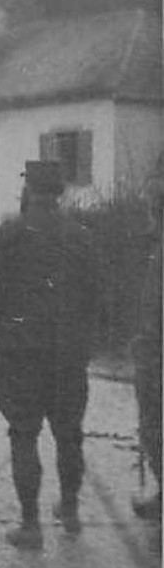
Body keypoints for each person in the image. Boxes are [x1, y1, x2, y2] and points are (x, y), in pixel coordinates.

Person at [0, 160, 97, 549]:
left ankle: (30, 525)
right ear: (60, 193)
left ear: (28, 190)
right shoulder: (81, 237)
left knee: (23, 435)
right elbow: (98, 300)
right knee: (69, 435)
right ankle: (71, 510)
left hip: (19, 353)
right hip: (68, 354)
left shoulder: (9, 234)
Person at [131, 188, 162, 521]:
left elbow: (153, 315)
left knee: (153, 426)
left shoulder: (159, 256)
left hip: (158, 359)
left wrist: (143, 348)